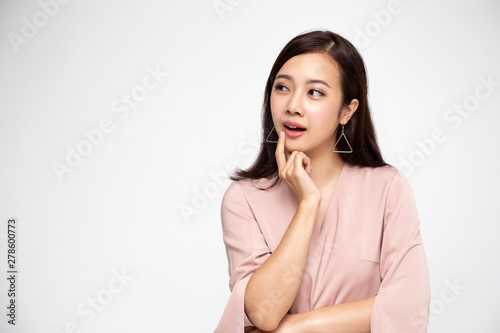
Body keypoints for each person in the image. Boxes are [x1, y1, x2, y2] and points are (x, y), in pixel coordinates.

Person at [214, 30, 430, 333]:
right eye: (282, 87)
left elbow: (409, 309)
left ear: (347, 110)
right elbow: (263, 312)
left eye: (315, 92)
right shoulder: (244, 198)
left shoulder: (387, 188)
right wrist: (307, 204)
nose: (293, 105)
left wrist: (295, 328)